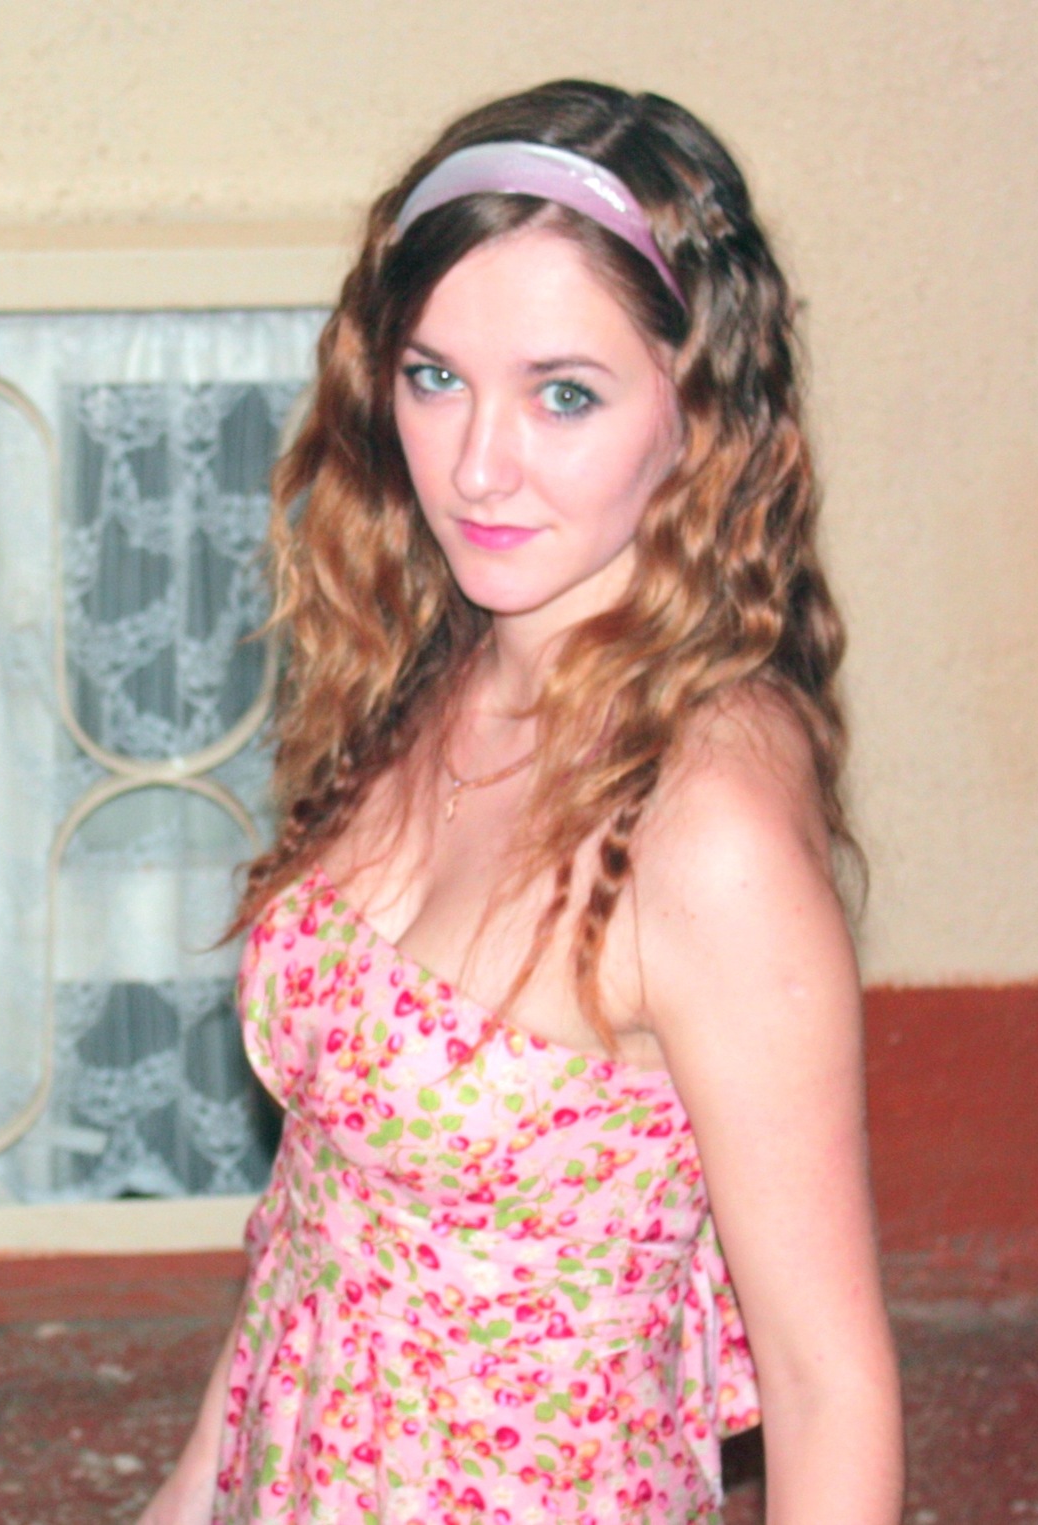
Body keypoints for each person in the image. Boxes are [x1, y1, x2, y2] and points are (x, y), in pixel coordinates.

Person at [139, 81, 903, 1525]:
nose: (476, 467)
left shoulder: (705, 832)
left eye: (565, 394)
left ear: (702, 410)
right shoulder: (439, 663)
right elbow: (325, 1213)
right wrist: (191, 1495)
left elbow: (829, 1385)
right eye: (434, 378)